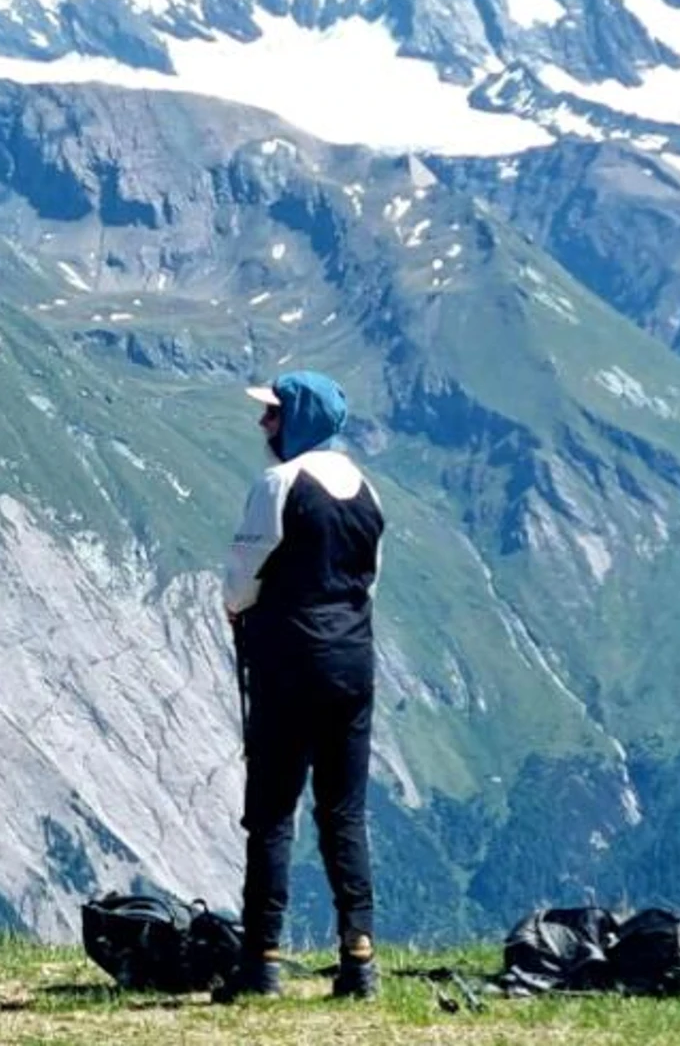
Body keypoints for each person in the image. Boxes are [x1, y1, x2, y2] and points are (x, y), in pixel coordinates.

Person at [218, 371, 386, 1003]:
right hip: (353, 663)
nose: (264, 425)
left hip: (289, 661)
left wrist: (242, 609)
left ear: (298, 420)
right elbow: (369, 583)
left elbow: (241, 579)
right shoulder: (368, 492)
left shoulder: (279, 484)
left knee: (271, 812)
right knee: (343, 810)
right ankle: (359, 958)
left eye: (274, 414)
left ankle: (261, 961)